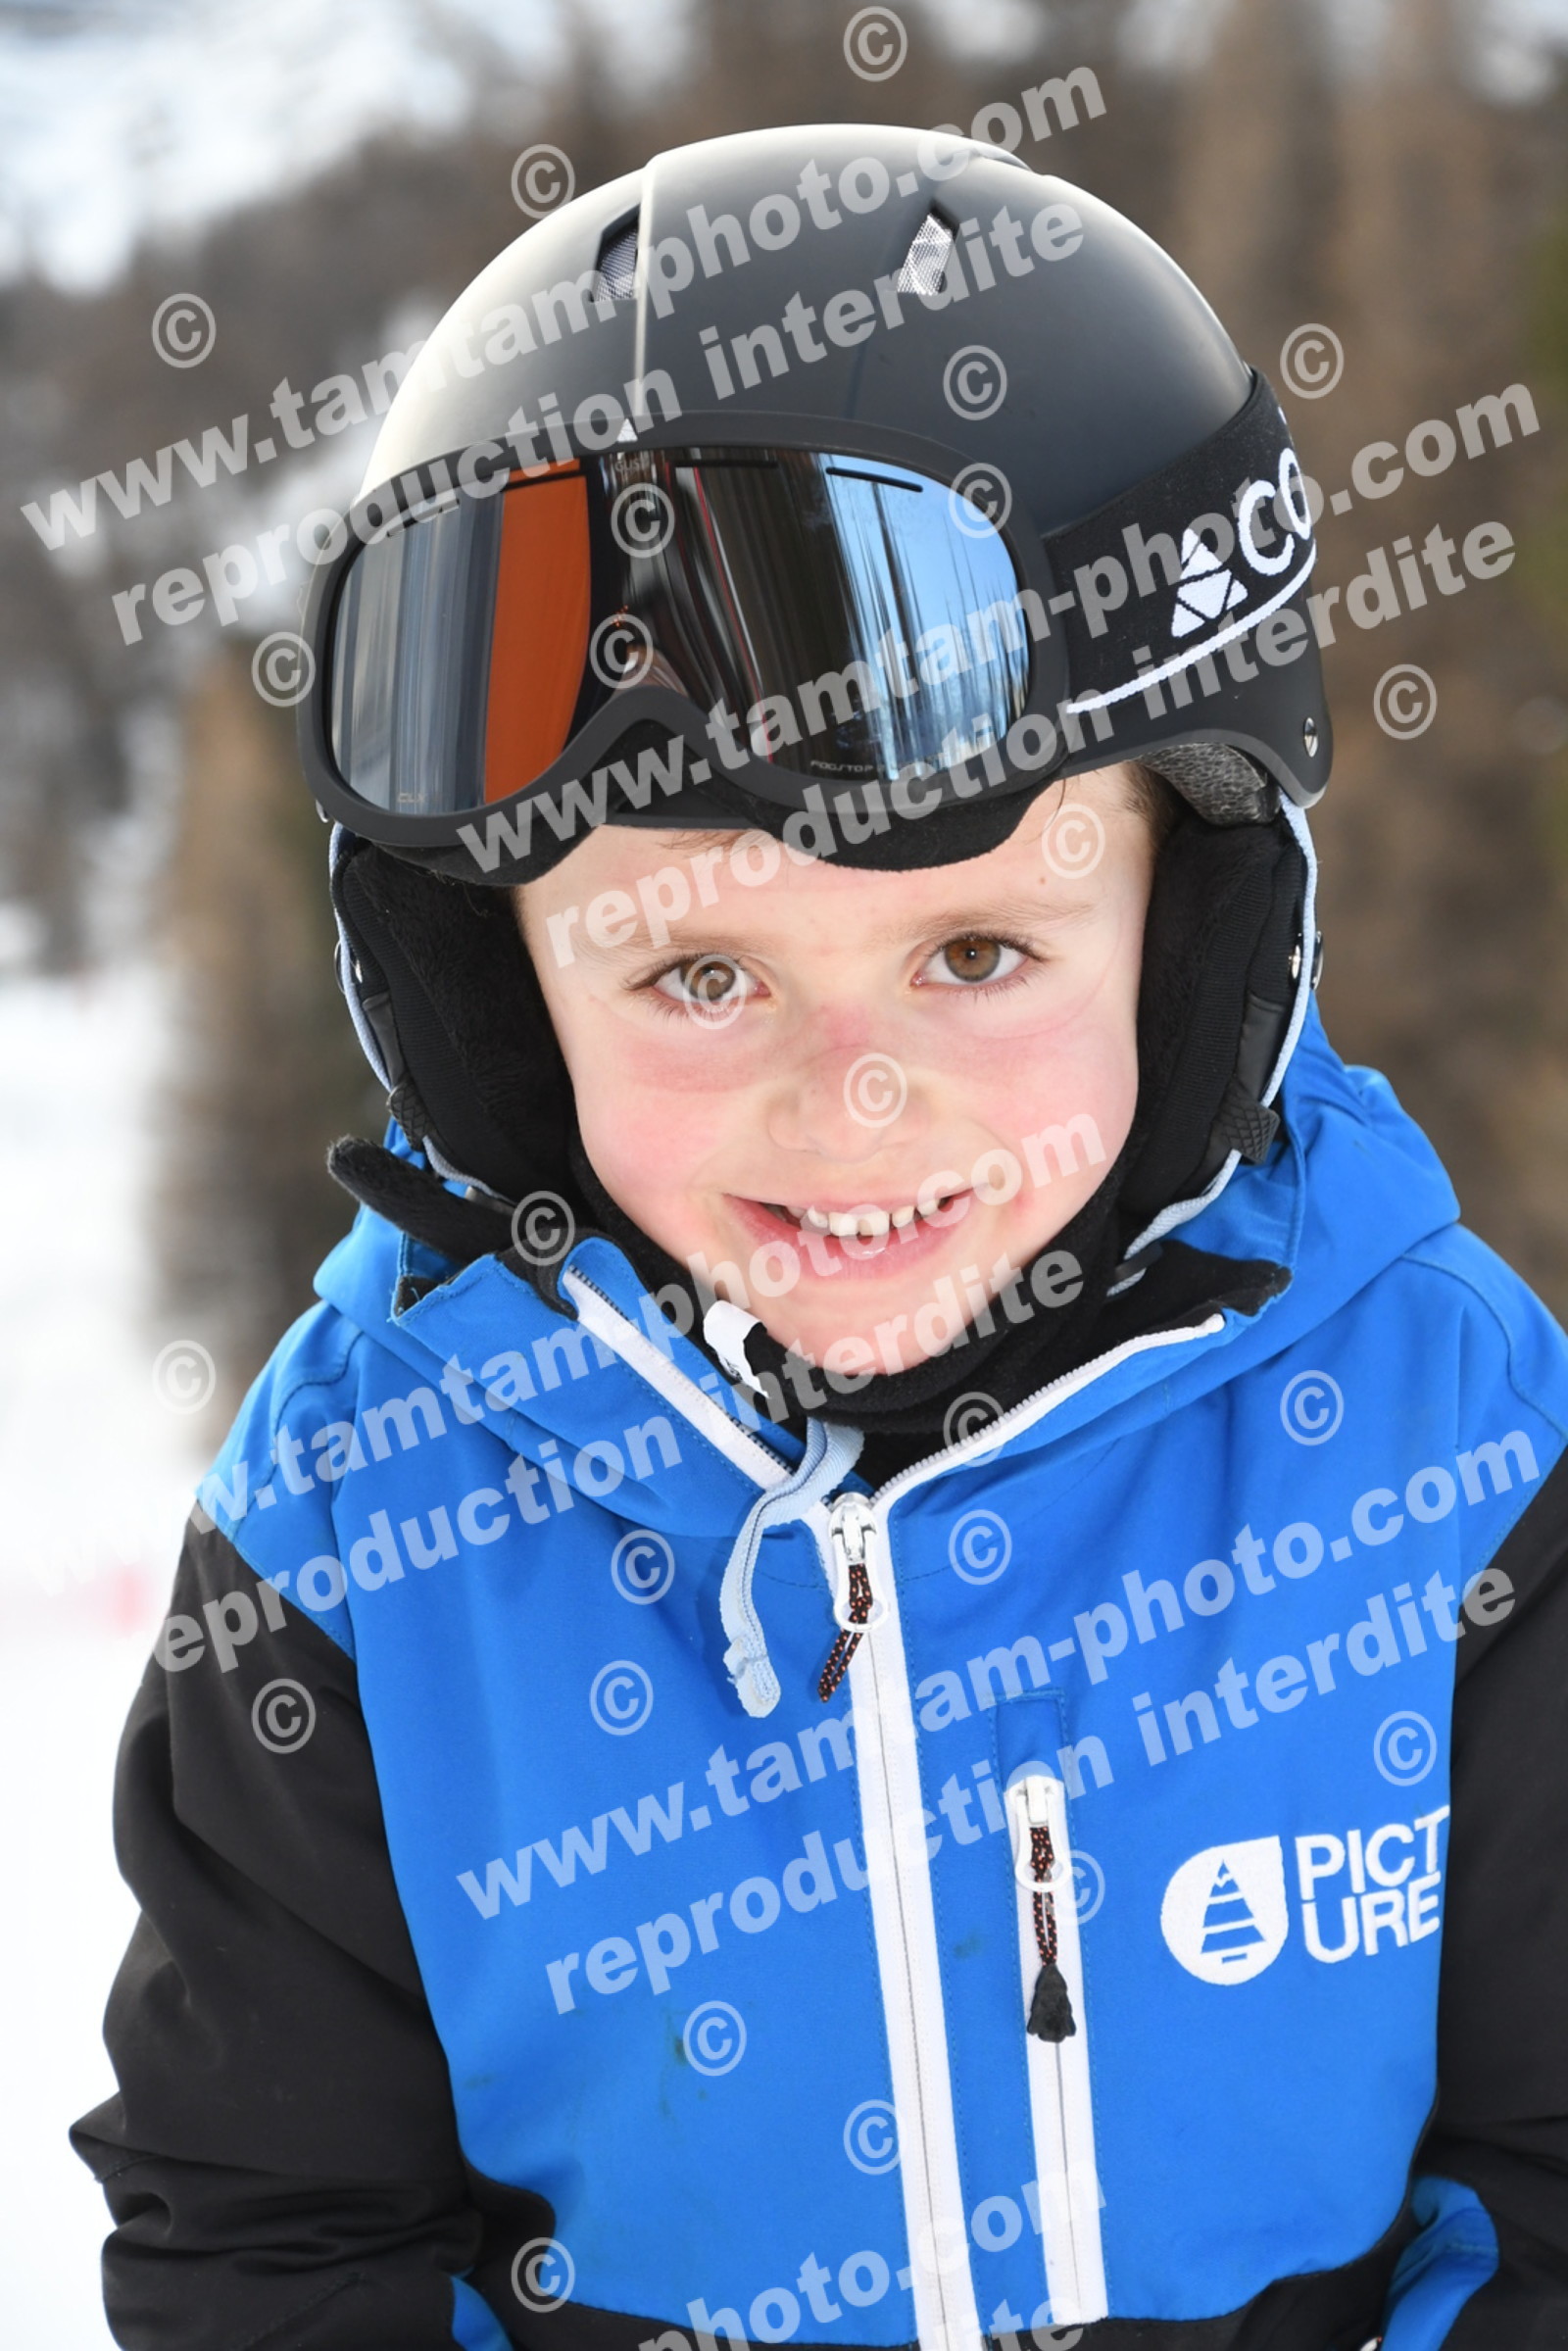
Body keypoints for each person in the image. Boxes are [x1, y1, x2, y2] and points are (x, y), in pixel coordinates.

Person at [74, 122, 1568, 2351]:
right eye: (698, 974)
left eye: (975, 954)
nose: (849, 1106)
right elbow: (270, 2231)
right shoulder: (366, 1516)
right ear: (498, 998)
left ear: (1194, 931)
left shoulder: (1443, 1433)